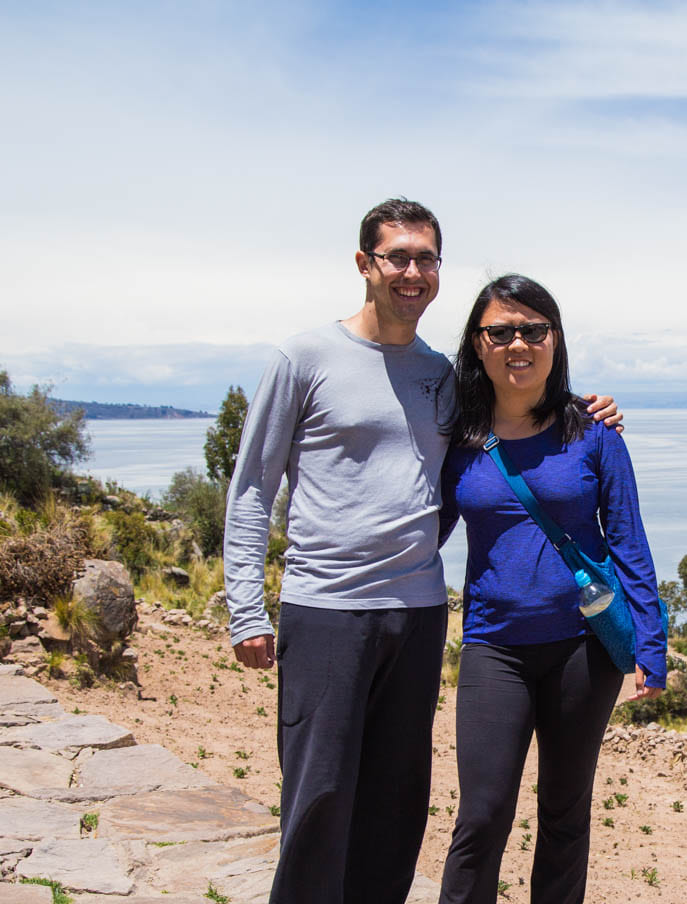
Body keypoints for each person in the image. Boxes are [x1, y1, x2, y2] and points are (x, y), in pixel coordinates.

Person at [222, 200, 620, 904]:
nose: (413, 271)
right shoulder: (305, 357)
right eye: (397, 256)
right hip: (326, 610)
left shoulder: (445, 376)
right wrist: (245, 609)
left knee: (396, 805)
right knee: (317, 799)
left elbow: (518, 405)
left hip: (419, 611)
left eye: (426, 258)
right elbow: (253, 485)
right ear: (364, 264)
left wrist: (588, 410)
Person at [437, 274, 666, 904]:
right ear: (478, 345)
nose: (518, 344)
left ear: (554, 341)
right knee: (481, 817)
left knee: (566, 814)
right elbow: (422, 531)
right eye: (501, 331)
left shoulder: (593, 432)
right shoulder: (458, 441)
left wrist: (653, 642)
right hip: (494, 648)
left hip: (581, 649)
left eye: (533, 330)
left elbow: (629, 541)